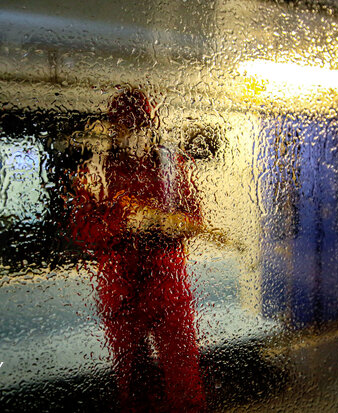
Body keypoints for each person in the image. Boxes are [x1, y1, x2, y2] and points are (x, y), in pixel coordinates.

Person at [70, 87, 206, 412]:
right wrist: (124, 221)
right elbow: (81, 231)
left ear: (150, 124)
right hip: (121, 291)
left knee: (184, 376)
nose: (134, 132)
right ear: (114, 127)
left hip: (168, 289)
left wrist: (175, 223)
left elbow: (196, 217)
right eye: (126, 125)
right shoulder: (96, 170)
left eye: (141, 124)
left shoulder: (170, 165)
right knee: (133, 381)